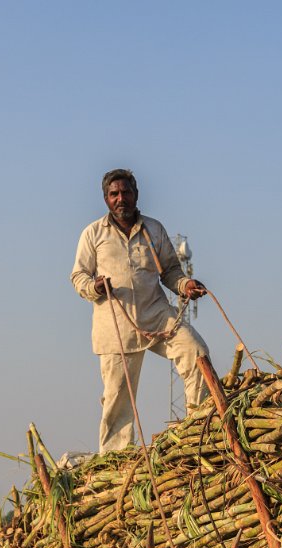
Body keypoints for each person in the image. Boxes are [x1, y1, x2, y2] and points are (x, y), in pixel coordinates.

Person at [71, 169, 209, 453]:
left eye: (126, 192)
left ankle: (200, 427)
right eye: (114, 194)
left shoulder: (154, 229)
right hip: (115, 324)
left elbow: (170, 270)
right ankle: (116, 459)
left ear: (136, 194)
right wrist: (95, 287)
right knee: (118, 398)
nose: (121, 198)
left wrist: (185, 285)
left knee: (195, 351)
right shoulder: (93, 234)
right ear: (106, 198)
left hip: (156, 312)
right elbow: (78, 277)